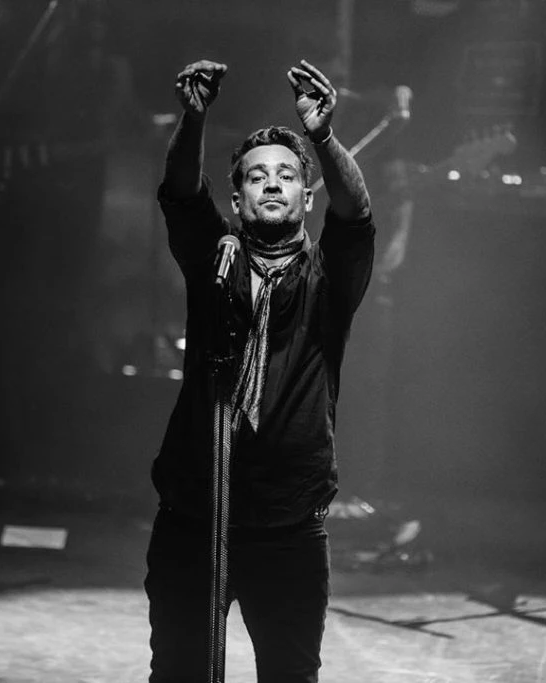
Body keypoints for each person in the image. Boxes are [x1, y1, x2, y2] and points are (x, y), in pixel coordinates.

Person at [144, 57, 374, 682]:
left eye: (286, 175)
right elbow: (181, 195)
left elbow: (357, 216)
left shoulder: (329, 278)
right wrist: (194, 120)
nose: (272, 184)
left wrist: (323, 137)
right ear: (238, 198)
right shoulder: (215, 261)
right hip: (195, 517)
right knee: (178, 673)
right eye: (256, 176)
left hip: (288, 527)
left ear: (306, 195)